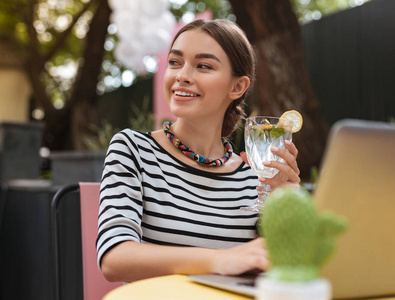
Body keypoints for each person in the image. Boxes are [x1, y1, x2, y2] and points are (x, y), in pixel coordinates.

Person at [97, 19, 300, 283]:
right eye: (175, 62)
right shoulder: (133, 149)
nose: (181, 75)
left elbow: (283, 271)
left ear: (237, 87)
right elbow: (115, 258)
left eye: (203, 66)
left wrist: (285, 208)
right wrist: (220, 259)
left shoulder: (257, 178)